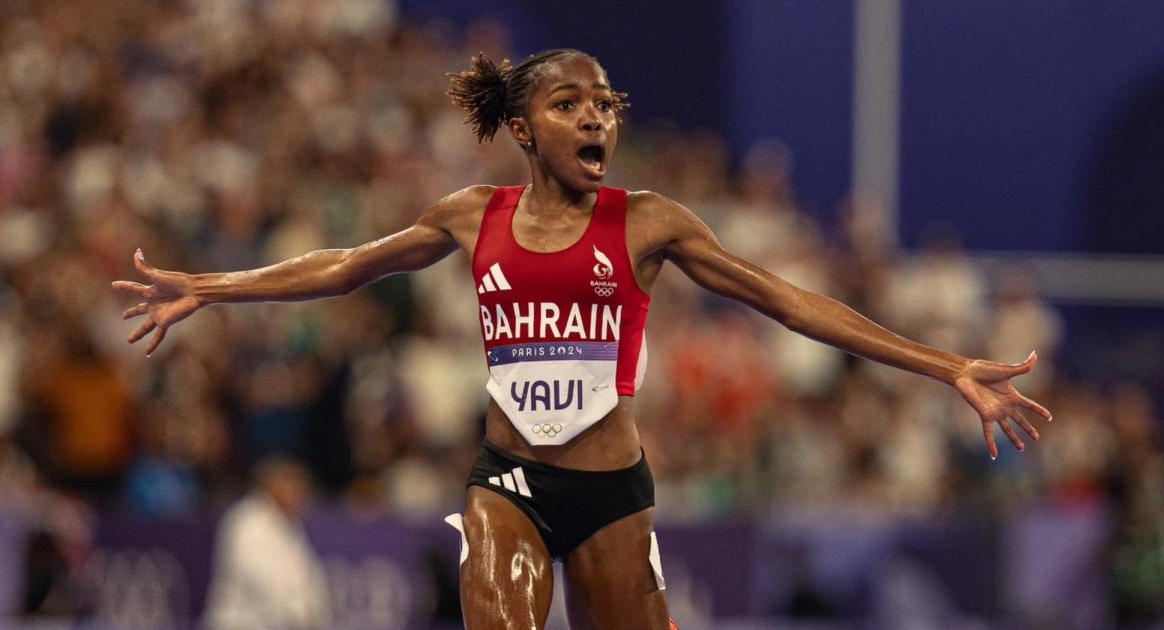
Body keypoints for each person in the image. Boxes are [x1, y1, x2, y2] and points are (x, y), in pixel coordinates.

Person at [114, 49, 1052, 629]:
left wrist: (945, 365)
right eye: (570, 104)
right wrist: (206, 284)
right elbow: (342, 265)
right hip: (508, 483)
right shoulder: (470, 214)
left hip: (611, 493)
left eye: (604, 102)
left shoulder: (649, 224)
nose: (596, 115)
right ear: (523, 129)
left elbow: (793, 303)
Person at [202, 456, 330, 629]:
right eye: (294, 484)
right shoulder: (246, 520)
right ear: (274, 485)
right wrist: (298, 614)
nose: (301, 493)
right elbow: (259, 579)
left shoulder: (290, 526)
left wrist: (314, 613)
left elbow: (309, 576)